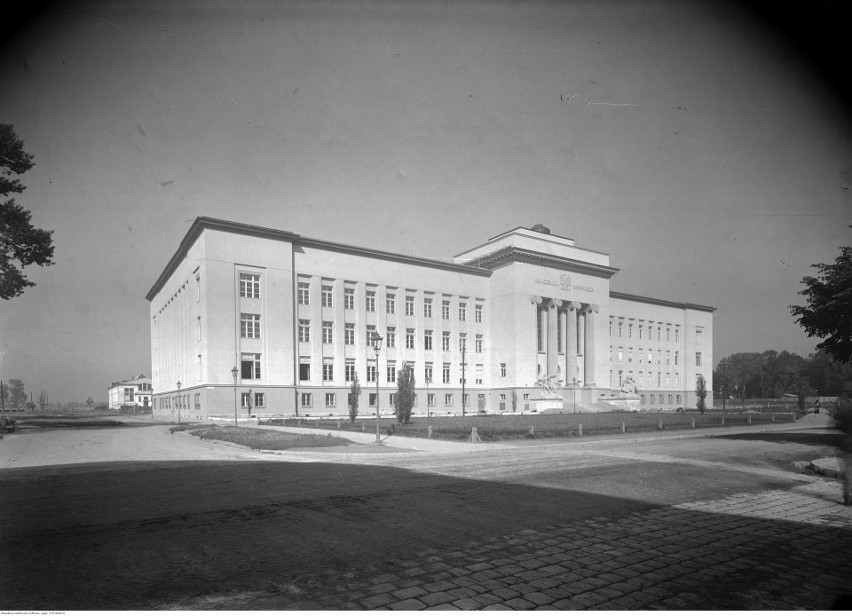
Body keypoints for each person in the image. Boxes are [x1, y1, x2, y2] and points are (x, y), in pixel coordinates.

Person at [834, 398, 852, 506]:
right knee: (849, 472)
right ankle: (849, 497)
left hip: (846, 446)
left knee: (849, 473)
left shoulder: (846, 411)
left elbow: (837, 425)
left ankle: (848, 496)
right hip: (848, 447)